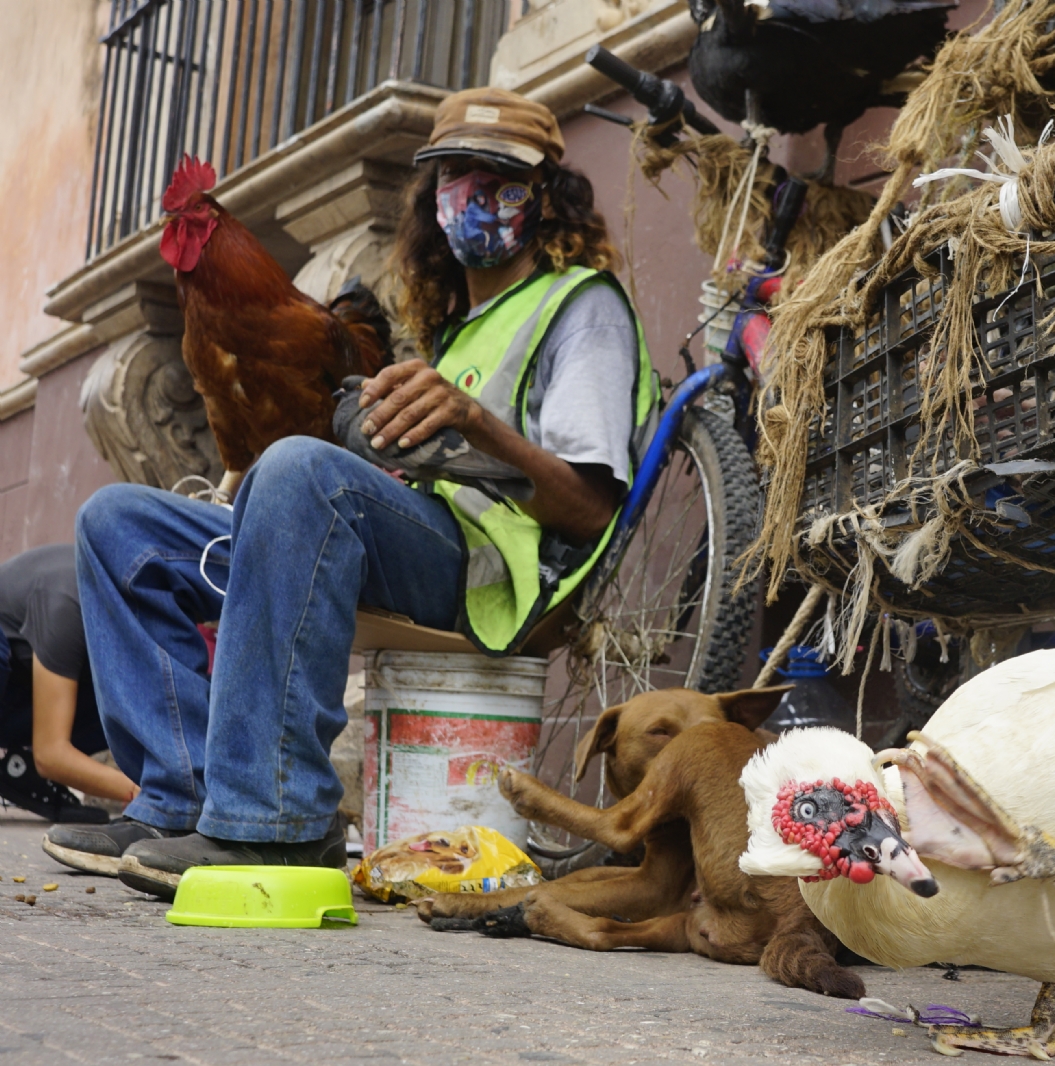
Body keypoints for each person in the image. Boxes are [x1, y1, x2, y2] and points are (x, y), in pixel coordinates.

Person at [55, 88, 655, 897]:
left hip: (492, 573)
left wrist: (473, 421)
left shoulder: (579, 305)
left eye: (500, 178)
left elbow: (589, 512)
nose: (473, 195)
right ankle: (180, 797)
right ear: (432, 199)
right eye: (454, 176)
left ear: (545, 197)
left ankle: (277, 822)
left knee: (301, 468)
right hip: (404, 534)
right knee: (117, 523)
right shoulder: (459, 326)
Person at [0, 544, 138, 829]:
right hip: (9, 666)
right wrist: (151, 797)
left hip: (19, 689)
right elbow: (51, 754)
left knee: (133, 701)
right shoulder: (69, 599)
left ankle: (19, 771)